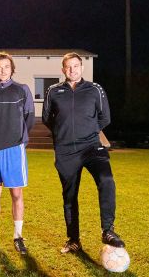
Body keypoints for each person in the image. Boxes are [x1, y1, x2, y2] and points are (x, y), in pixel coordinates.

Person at [42, 52, 125, 254]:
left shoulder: (95, 89)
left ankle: (108, 230)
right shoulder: (53, 91)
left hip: (91, 147)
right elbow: (47, 118)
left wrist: (86, 130)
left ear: (82, 67)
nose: (72, 70)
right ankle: (73, 240)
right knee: (69, 196)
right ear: (63, 70)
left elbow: (105, 117)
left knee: (106, 180)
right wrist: (64, 134)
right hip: (66, 152)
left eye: (76, 66)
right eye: (68, 67)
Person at [0, 52, 35, 254]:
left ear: (12, 69)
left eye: (6, 67)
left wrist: (19, 138)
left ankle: (18, 236)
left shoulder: (22, 90)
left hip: (14, 149)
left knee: (16, 193)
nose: (3, 70)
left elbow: (29, 117)